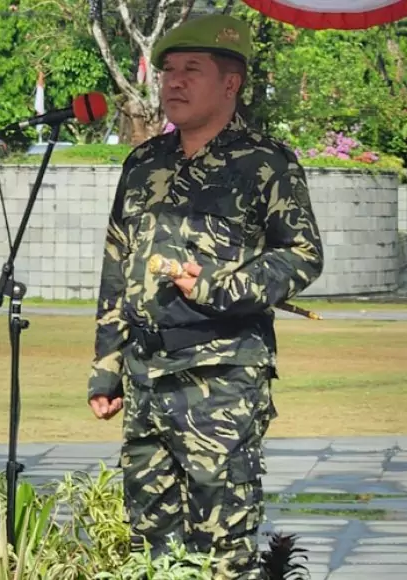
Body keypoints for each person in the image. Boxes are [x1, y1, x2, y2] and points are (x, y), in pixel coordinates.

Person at [86, 14, 324, 579]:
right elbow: (116, 268)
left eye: (191, 70)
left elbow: (302, 255)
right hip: (145, 375)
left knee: (223, 546)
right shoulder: (143, 164)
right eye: (168, 70)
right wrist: (106, 367)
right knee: (150, 544)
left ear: (230, 84)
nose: (173, 82)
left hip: (219, 378)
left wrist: (219, 287)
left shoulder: (265, 163)